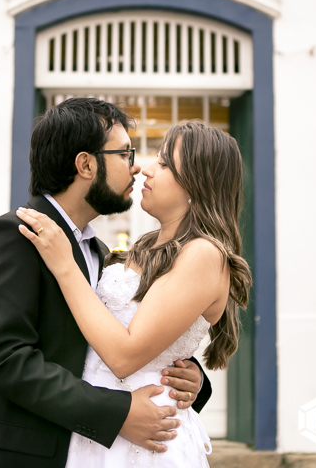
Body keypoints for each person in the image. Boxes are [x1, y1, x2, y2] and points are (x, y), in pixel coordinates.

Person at [0, 98, 212, 468]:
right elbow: (6, 360)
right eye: (124, 154)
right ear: (86, 165)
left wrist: (191, 379)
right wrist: (118, 413)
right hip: (5, 456)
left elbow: (112, 336)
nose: (135, 167)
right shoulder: (14, 235)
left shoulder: (98, 252)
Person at [16, 121, 252, 467]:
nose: (147, 169)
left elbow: (125, 356)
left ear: (197, 183)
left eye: (165, 163)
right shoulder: (144, 248)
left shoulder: (204, 253)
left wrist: (64, 264)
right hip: (97, 424)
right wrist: (192, 373)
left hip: (145, 440)